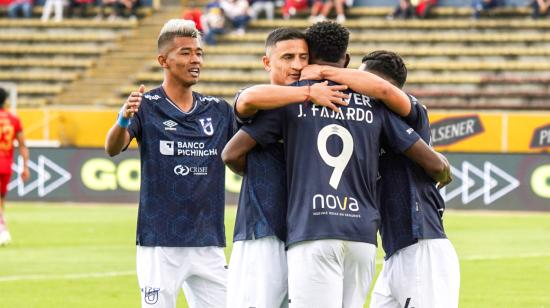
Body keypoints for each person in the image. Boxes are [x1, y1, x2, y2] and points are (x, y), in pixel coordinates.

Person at [225, 21, 451, 307]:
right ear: (346, 61)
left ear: (310, 57)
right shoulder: (375, 104)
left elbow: (231, 153)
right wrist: (443, 168)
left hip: (312, 229)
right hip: (363, 236)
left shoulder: (288, 101)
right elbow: (432, 160)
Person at [104, 19, 234, 308]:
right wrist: (123, 117)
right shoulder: (146, 104)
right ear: (163, 60)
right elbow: (113, 147)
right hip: (159, 241)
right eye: (186, 52)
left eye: (199, 52)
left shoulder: (219, 110)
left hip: (208, 240)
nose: (195, 59)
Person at [222, 28, 349, 308]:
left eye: (304, 57)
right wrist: (307, 92)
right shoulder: (269, 101)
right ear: (267, 63)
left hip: (306, 233)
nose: (297, 65)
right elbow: (244, 108)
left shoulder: (313, 104)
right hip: (264, 229)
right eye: (287, 57)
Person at [355, 50, 460, 308]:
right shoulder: (371, 122)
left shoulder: (403, 113)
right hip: (394, 252)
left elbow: (437, 165)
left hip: (422, 248)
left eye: (361, 78)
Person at [0, 88, 30, 246]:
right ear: (5, 100)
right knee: (1, 199)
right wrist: (25, 166)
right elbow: (23, 145)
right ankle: (1, 230)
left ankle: (2, 231)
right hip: (5, 164)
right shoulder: (14, 119)